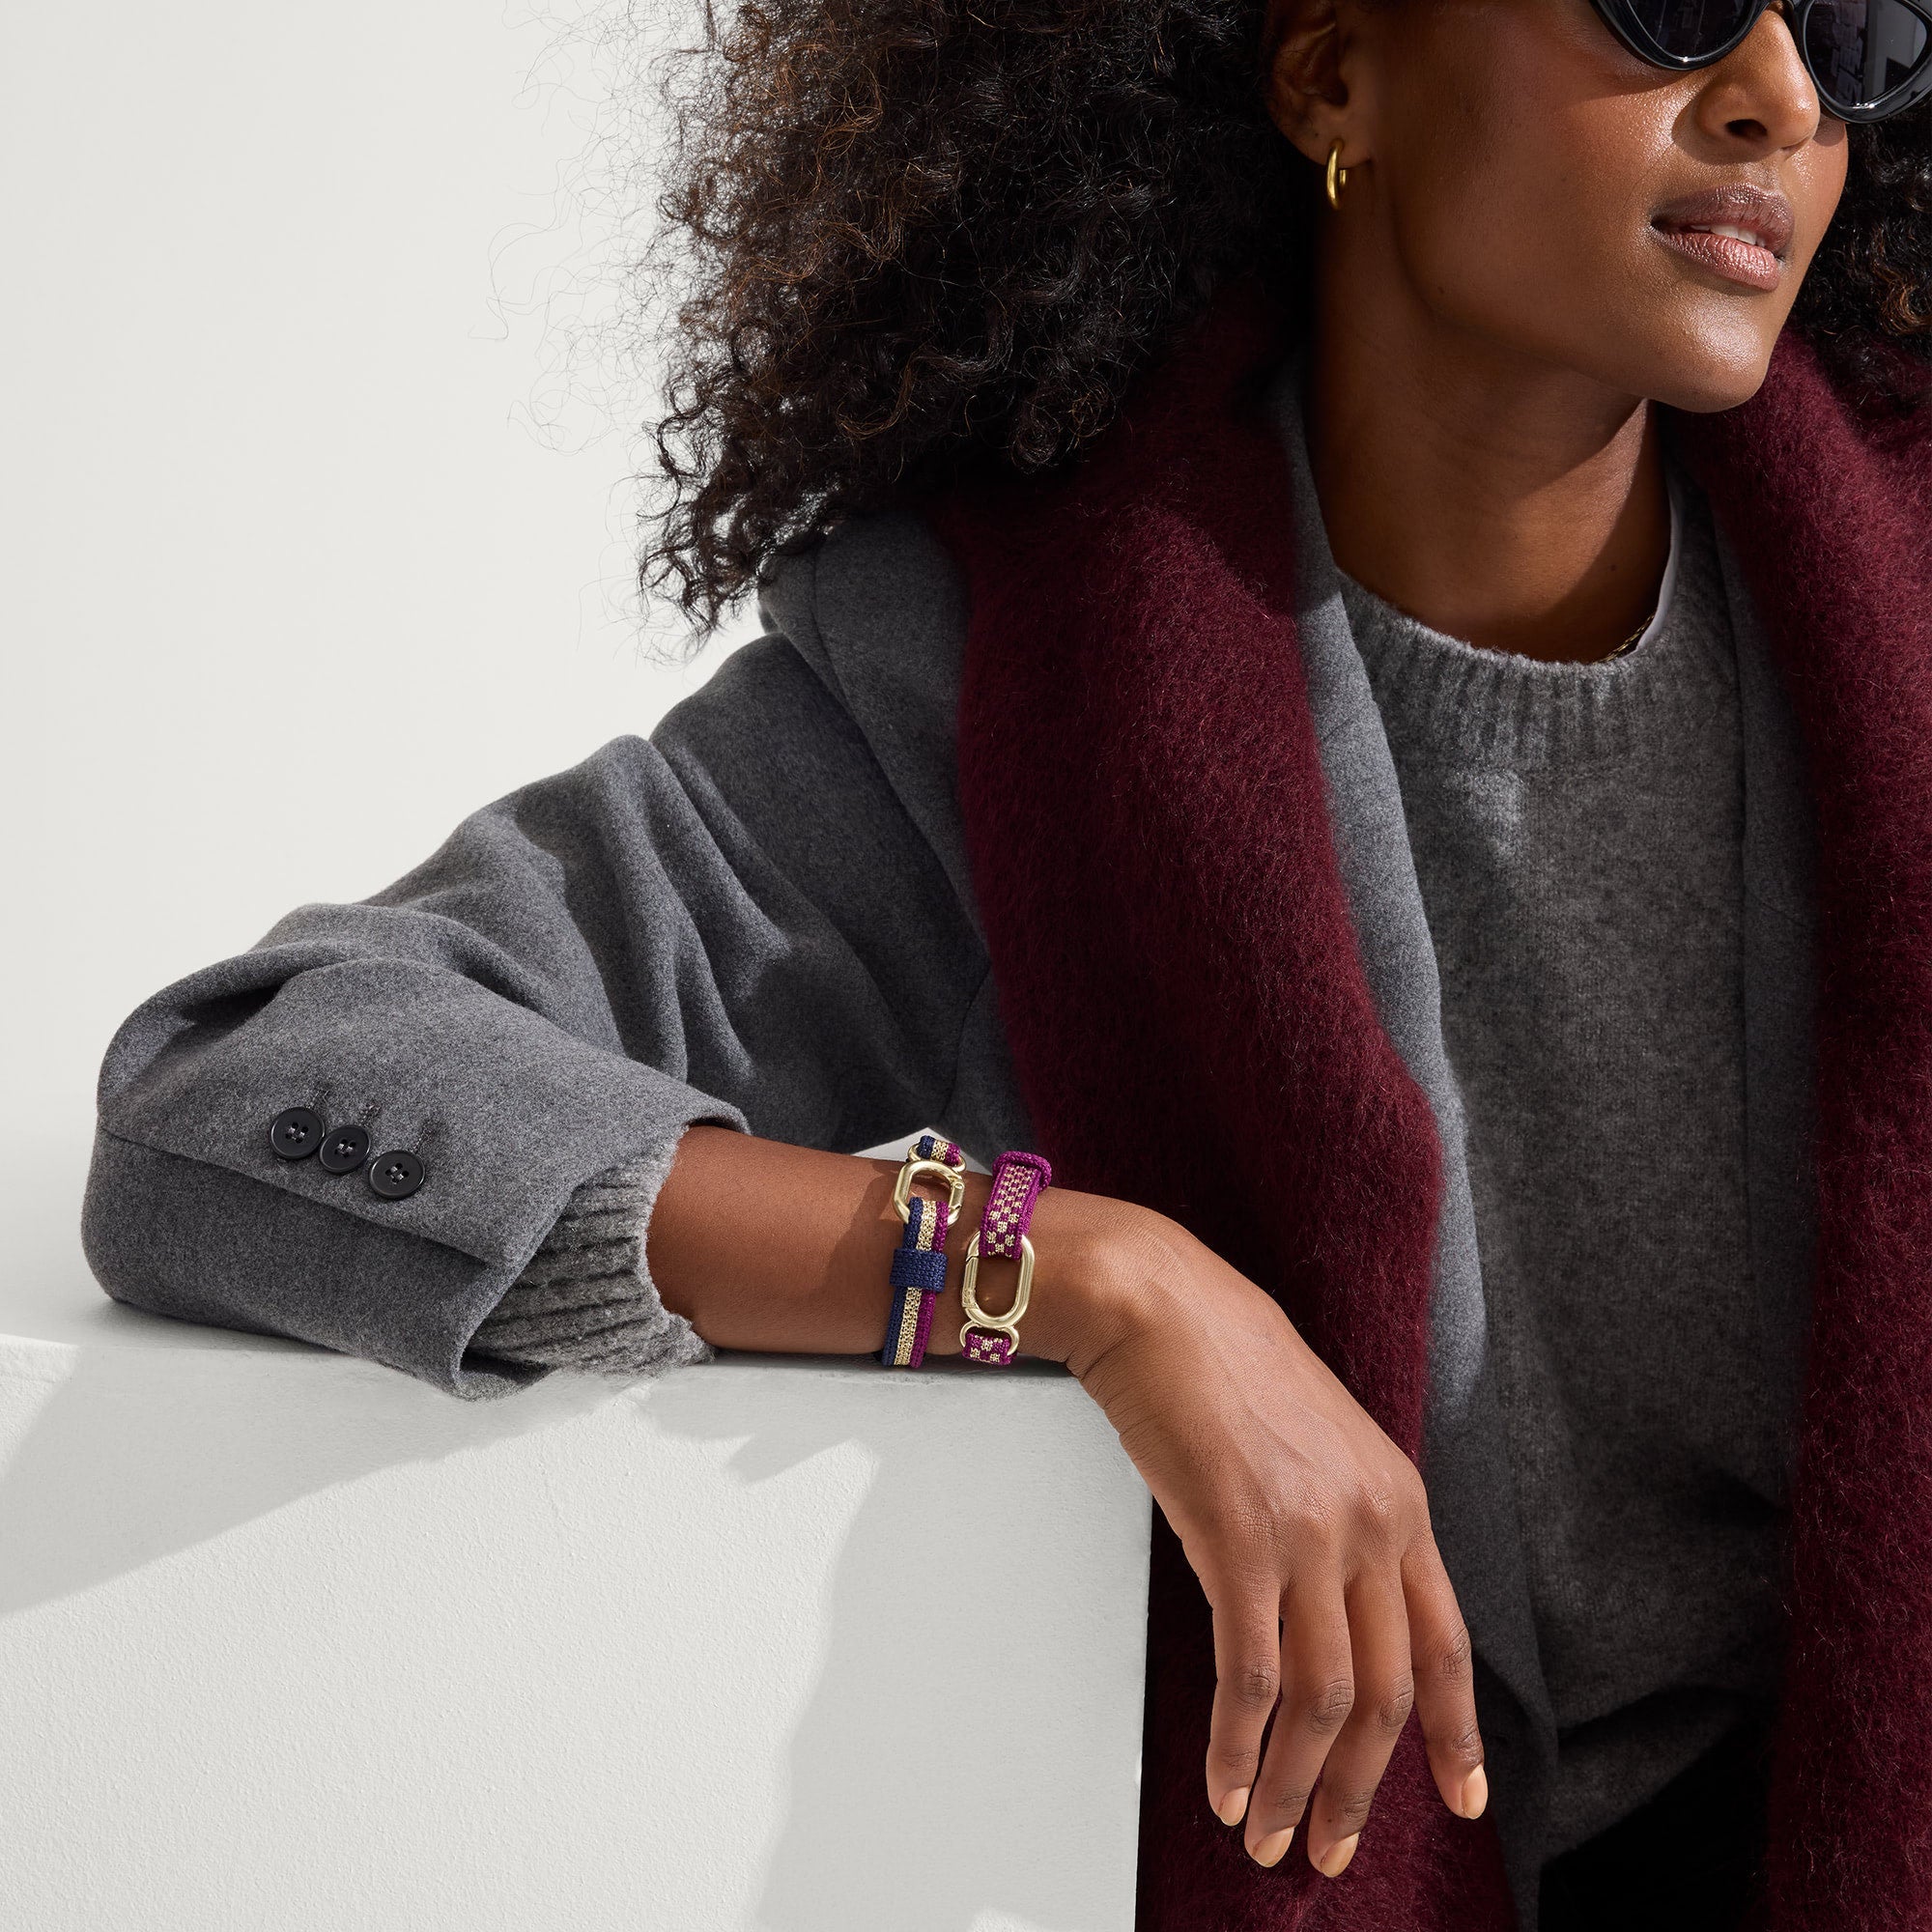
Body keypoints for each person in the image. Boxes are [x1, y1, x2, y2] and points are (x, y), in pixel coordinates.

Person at [81, 0, 1932, 1927]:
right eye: (1669, 1)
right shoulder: (1003, 698)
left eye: (1865, 25)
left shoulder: (1890, 661)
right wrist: (1068, 1273)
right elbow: (236, 1086)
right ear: (1333, 73)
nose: (1781, 98)